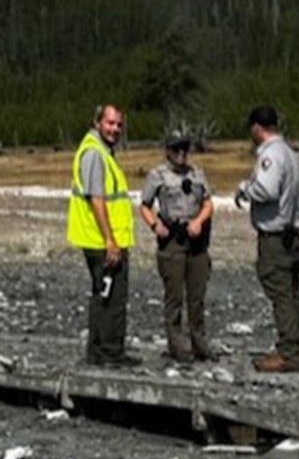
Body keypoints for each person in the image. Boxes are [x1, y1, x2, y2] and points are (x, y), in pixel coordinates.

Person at [235, 104, 299, 373]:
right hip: (292, 234)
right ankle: (294, 345)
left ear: (256, 127)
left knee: (281, 293)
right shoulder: (290, 153)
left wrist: (244, 189)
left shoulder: (271, 156)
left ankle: (289, 353)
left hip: (276, 237)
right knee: (291, 292)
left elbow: (266, 189)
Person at [66, 102, 135, 367]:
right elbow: (97, 199)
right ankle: (109, 353)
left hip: (98, 238)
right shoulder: (95, 153)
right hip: (102, 240)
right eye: (110, 123)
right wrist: (110, 240)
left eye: (119, 124)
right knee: (113, 298)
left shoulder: (99, 150)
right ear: (97, 123)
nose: (115, 129)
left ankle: (96, 352)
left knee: (102, 294)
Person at [138, 136, 215, 363]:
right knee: (174, 297)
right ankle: (177, 345)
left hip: (197, 241)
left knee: (197, 296)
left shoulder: (197, 174)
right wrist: (155, 225)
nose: (181, 153)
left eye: (184, 148)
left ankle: (200, 343)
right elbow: (144, 206)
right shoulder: (157, 175)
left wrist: (199, 220)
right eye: (176, 148)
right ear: (167, 151)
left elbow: (208, 203)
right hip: (173, 239)